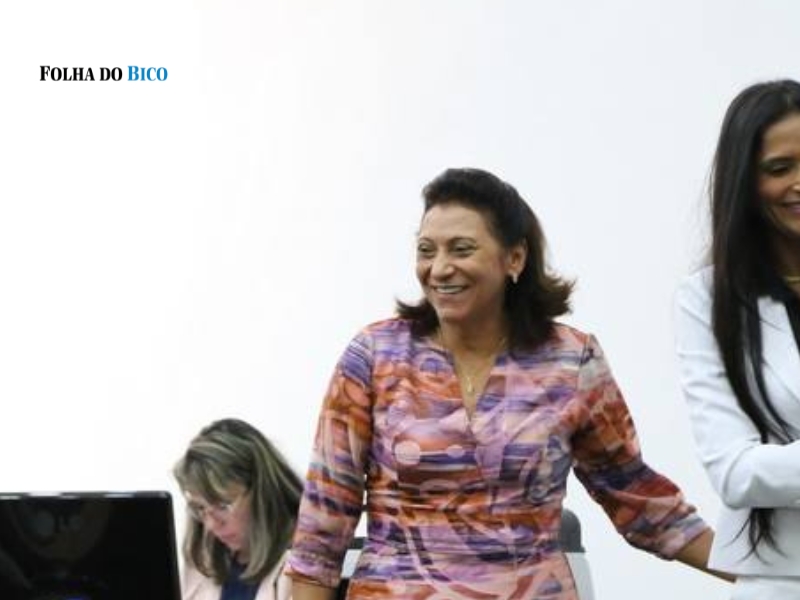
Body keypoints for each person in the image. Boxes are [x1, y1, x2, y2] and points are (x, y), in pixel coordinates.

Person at [286, 167, 719, 599]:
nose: (439, 268)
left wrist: (758, 569)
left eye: (461, 249)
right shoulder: (374, 356)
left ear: (514, 259)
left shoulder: (571, 360)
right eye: (426, 250)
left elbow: (638, 498)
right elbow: (321, 529)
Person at [675, 79, 800, 599]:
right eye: (779, 168)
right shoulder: (707, 300)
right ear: (745, 183)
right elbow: (736, 472)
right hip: (782, 579)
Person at [174, 418, 303, 600]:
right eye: (200, 507)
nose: (211, 525)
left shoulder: (306, 561)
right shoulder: (201, 559)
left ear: (263, 492)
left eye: (222, 505)